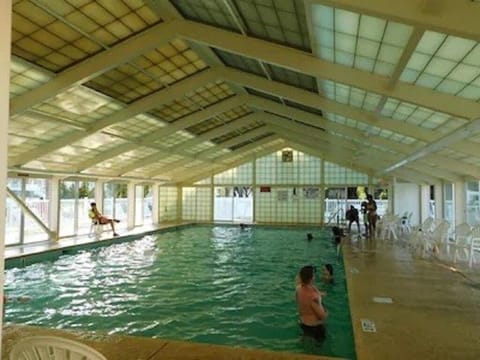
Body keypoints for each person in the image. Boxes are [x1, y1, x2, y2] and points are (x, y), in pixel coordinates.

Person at [295, 265, 328, 341]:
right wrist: (326, 312)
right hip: (315, 327)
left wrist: (319, 294)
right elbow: (322, 316)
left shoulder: (298, 289)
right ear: (312, 277)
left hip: (303, 323)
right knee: (319, 347)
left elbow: (298, 302)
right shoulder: (313, 297)